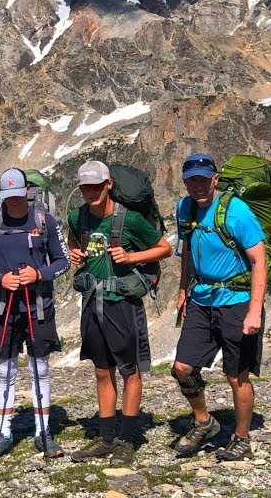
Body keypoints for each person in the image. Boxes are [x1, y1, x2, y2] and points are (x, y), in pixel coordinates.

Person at [64, 161, 172, 465]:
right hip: (92, 301)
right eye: (85, 187)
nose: (90, 192)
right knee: (101, 369)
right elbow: (74, 240)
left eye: (96, 186)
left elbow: (165, 248)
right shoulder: (77, 217)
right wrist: (74, 251)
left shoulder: (131, 220)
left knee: (130, 370)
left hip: (122, 302)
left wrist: (131, 255)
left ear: (108, 184)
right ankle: (106, 437)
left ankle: (127, 438)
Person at [170, 153, 267, 461]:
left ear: (215, 179)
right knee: (182, 368)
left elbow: (259, 260)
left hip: (236, 302)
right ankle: (204, 421)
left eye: (203, 179)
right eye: (191, 180)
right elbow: (186, 248)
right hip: (201, 300)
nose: (197, 185)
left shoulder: (236, 212)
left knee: (236, 375)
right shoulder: (184, 208)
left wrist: (254, 310)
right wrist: (183, 289)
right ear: (184, 182)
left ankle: (241, 438)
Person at [0, 168, 71, 460]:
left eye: (18, 196)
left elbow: (63, 261)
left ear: (27, 191)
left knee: (40, 367)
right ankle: (3, 432)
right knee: (5, 369)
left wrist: (38, 273)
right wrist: (0, 279)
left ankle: (43, 432)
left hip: (38, 305)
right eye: (8, 197)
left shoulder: (46, 221)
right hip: (6, 305)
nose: (13, 202)